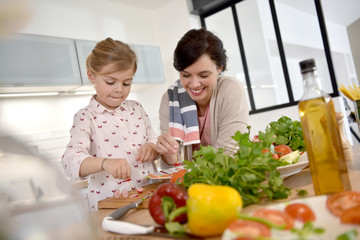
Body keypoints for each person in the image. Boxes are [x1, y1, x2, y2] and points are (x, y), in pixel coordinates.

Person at [61, 38, 159, 211]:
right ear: (91, 76)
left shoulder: (136, 108)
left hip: (149, 196)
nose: (119, 89)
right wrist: (105, 163)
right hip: (110, 205)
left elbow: (153, 139)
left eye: (126, 83)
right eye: (110, 82)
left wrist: (152, 147)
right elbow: (69, 161)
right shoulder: (85, 117)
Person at [157, 28, 249, 166]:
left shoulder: (230, 89)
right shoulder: (170, 100)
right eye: (186, 75)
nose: (194, 84)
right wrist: (168, 155)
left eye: (204, 75)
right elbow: (168, 168)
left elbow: (228, 155)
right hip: (190, 182)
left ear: (219, 68)